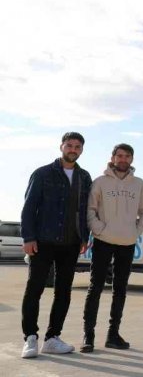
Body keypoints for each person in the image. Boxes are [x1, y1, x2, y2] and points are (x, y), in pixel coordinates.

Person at [21, 132, 93, 359]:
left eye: (77, 146)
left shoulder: (84, 176)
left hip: (71, 243)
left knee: (64, 291)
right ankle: (30, 338)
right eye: (69, 145)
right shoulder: (43, 173)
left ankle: (52, 338)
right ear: (61, 146)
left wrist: (84, 236)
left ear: (81, 150)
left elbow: (84, 210)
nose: (73, 149)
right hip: (42, 241)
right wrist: (28, 237)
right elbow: (28, 207)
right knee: (35, 288)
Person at [81, 143, 143, 352]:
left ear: (131, 159)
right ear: (112, 158)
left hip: (127, 242)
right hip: (103, 240)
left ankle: (113, 334)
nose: (123, 159)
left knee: (120, 289)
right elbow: (90, 209)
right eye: (119, 156)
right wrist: (99, 229)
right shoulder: (100, 182)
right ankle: (88, 335)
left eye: (127, 156)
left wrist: (135, 232)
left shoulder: (138, 184)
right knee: (95, 287)